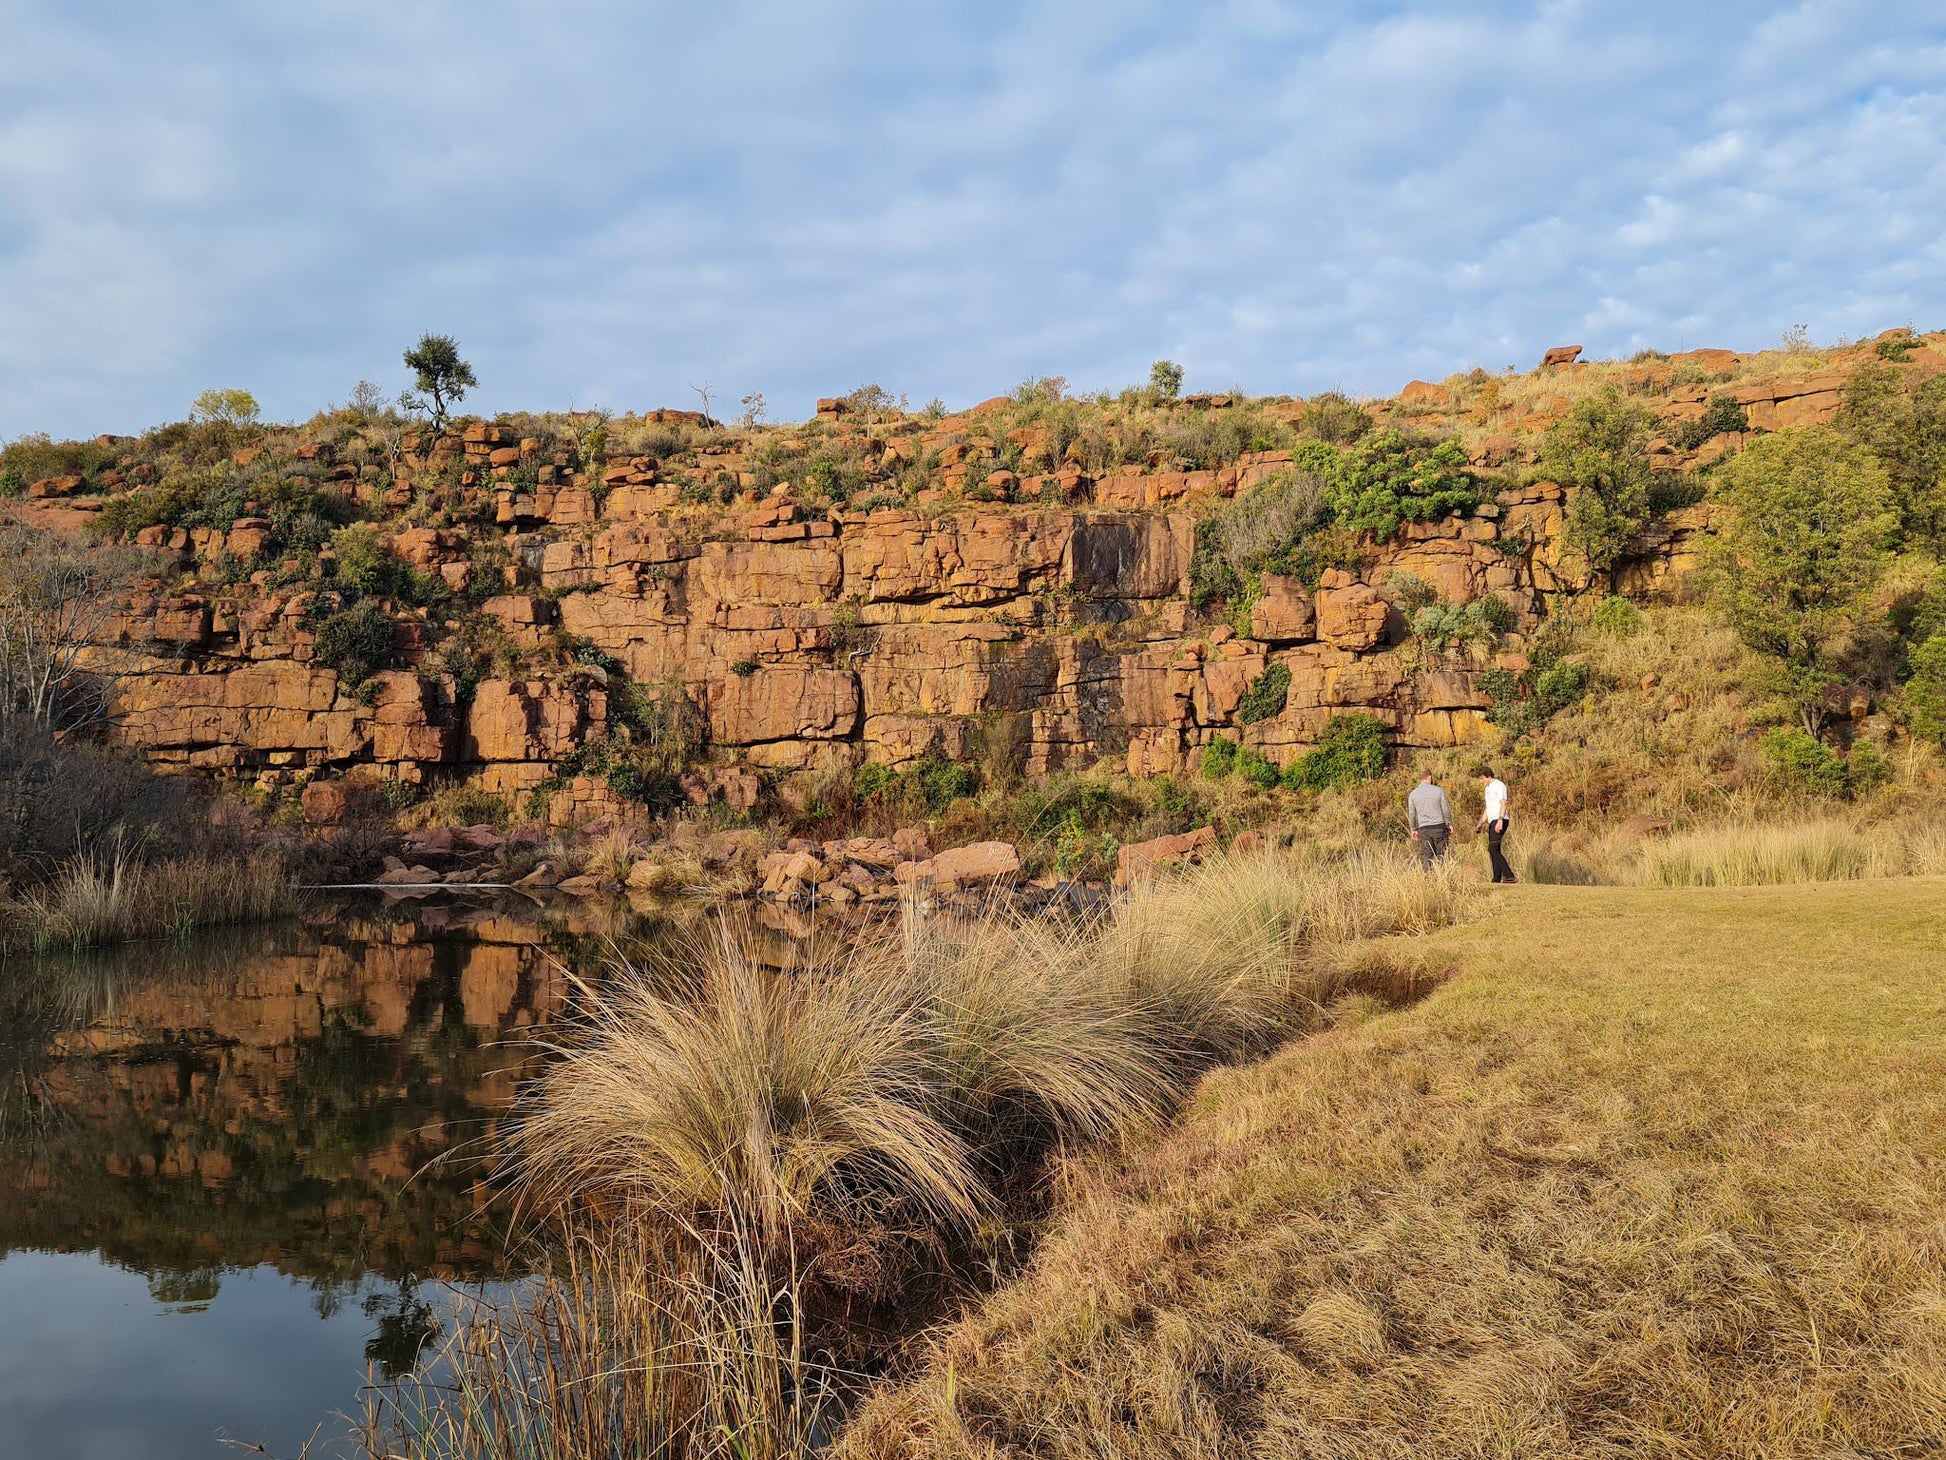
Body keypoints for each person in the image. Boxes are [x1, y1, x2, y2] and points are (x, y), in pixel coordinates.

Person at [1476, 766, 1516, 884]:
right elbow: (1488, 808)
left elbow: (1504, 803)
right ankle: (1496, 878)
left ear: (1488, 776)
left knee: (1492, 848)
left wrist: (1500, 820)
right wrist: (1480, 823)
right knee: (1495, 849)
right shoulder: (1487, 789)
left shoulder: (1499, 785)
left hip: (1500, 819)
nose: (1481, 781)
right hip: (1492, 820)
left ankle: (1510, 875)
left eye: (1482, 778)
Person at [1406, 768, 1452, 870]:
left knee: (1427, 857)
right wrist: (1449, 824)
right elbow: (1445, 810)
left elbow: (1412, 814)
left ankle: (1428, 881)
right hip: (1438, 827)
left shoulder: (1413, 794)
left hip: (1424, 829)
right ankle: (1443, 879)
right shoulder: (1439, 791)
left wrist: (1414, 829)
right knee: (1442, 855)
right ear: (1430, 778)